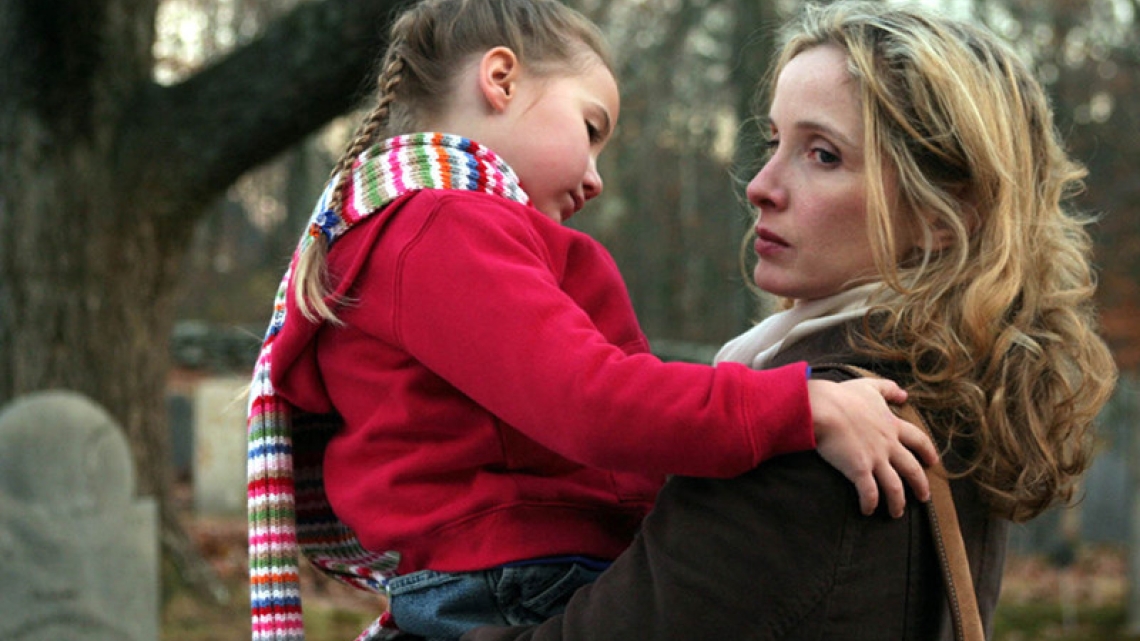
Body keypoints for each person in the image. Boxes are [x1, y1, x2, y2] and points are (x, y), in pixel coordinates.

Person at [245, 1, 938, 640]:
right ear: (501, 80)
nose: (596, 177)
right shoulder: (442, 227)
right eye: (591, 128)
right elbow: (591, 400)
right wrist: (799, 405)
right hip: (519, 583)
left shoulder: (429, 230)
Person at [461, 2, 1119, 640]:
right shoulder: (956, 392)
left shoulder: (819, 434)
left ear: (949, 210)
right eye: (775, 141)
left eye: (822, 155)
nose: (760, 185)